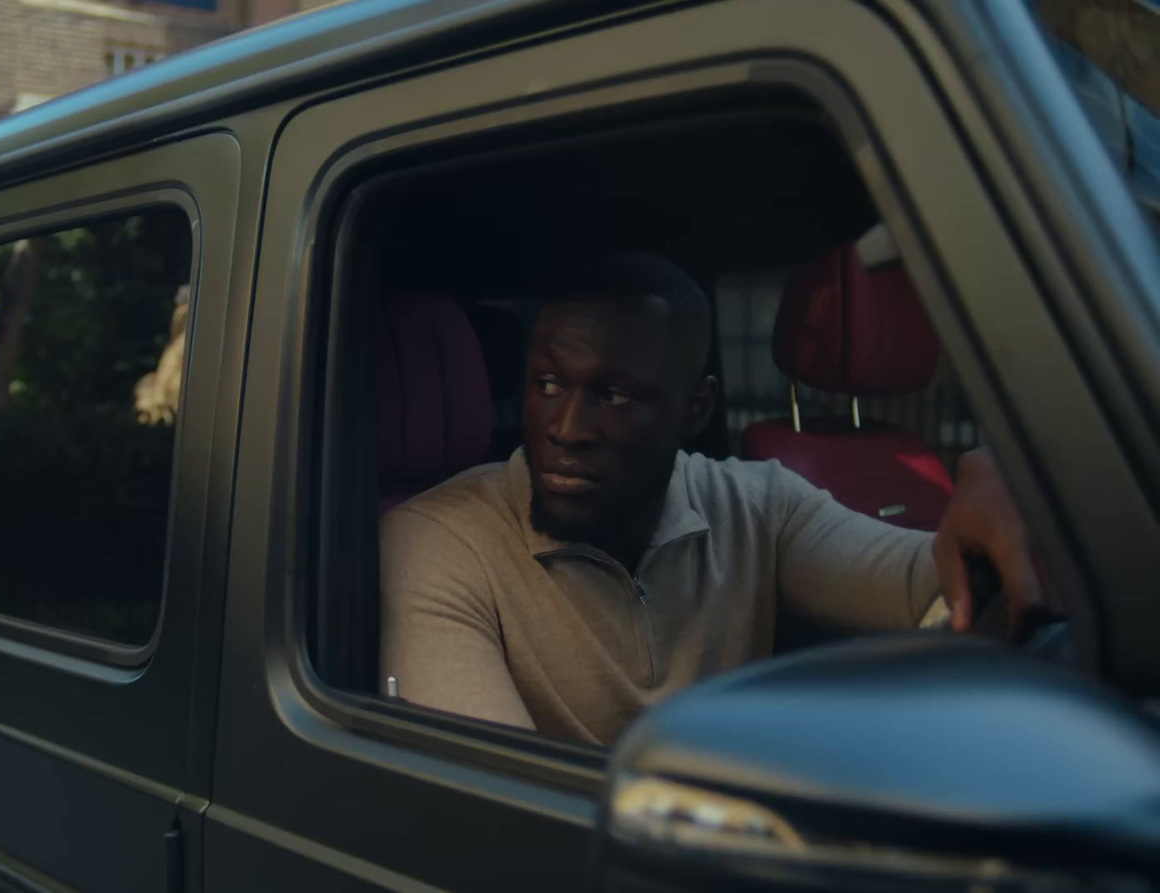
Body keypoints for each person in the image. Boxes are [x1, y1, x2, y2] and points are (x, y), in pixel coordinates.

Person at [379, 253, 1051, 745]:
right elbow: (491, 804)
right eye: (548, 383)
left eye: (614, 395)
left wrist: (1024, 495)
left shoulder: (757, 507)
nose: (566, 428)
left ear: (695, 408)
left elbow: (928, 580)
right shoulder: (440, 536)